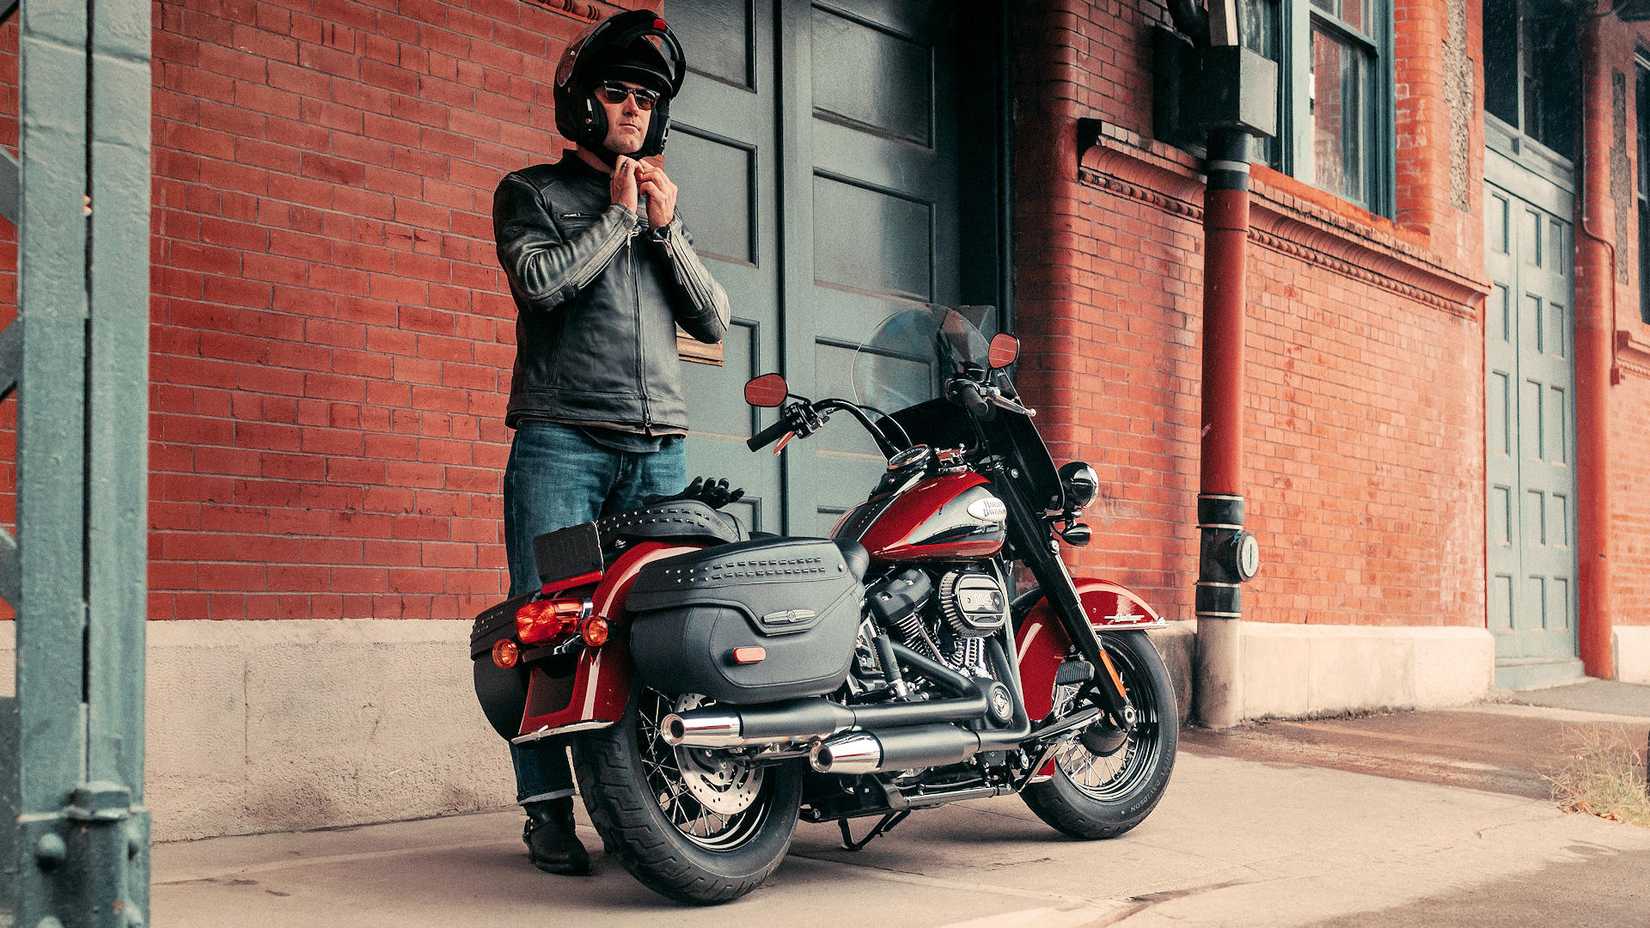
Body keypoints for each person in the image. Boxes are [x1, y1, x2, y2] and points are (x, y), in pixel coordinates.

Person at [490, 11, 729, 876]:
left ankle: (657, 799)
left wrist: (664, 232)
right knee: (547, 623)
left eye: (648, 98)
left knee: (661, 630)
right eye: (619, 91)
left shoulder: (659, 211)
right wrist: (622, 218)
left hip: (657, 448)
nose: (634, 106)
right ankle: (546, 809)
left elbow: (711, 318)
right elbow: (543, 286)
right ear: (585, 103)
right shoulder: (531, 194)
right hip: (562, 443)